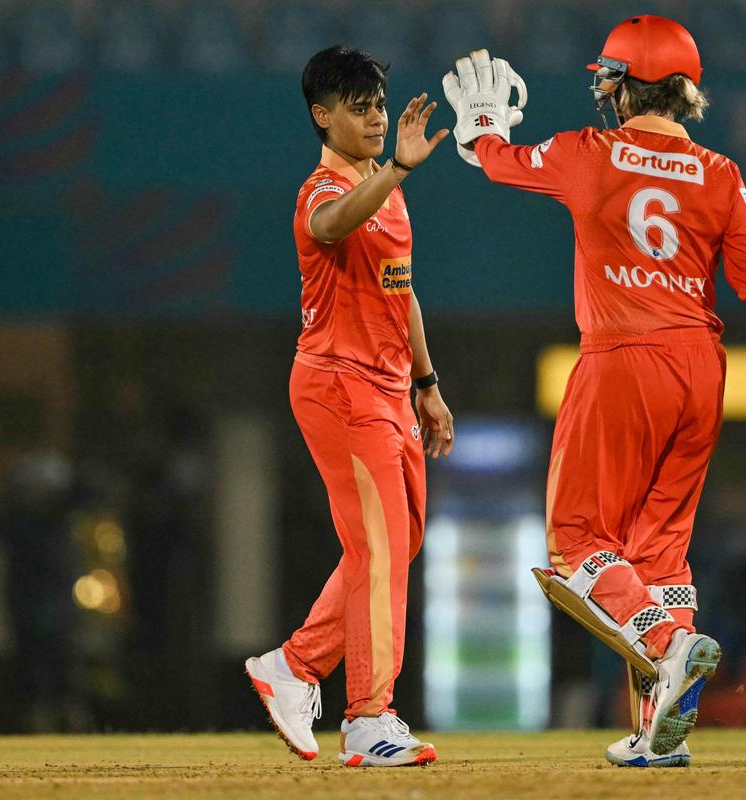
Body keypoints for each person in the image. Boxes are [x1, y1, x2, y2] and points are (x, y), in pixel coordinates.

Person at [441, 16, 746, 766]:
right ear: (686, 93)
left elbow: (497, 162)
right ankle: (658, 731)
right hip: (700, 368)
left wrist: (482, 130)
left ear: (622, 87)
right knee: (657, 558)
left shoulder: (590, 153)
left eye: (607, 80)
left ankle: (670, 644)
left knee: (579, 542)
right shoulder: (721, 175)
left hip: (622, 359)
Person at [245, 45, 453, 768]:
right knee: (378, 548)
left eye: (378, 105)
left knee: (400, 542)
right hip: (338, 385)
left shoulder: (381, 185)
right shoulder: (322, 189)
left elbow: (403, 287)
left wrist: (426, 385)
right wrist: (395, 166)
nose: (373, 117)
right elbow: (330, 227)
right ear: (321, 116)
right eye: (358, 107)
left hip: (392, 388)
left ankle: (296, 667)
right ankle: (368, 716)